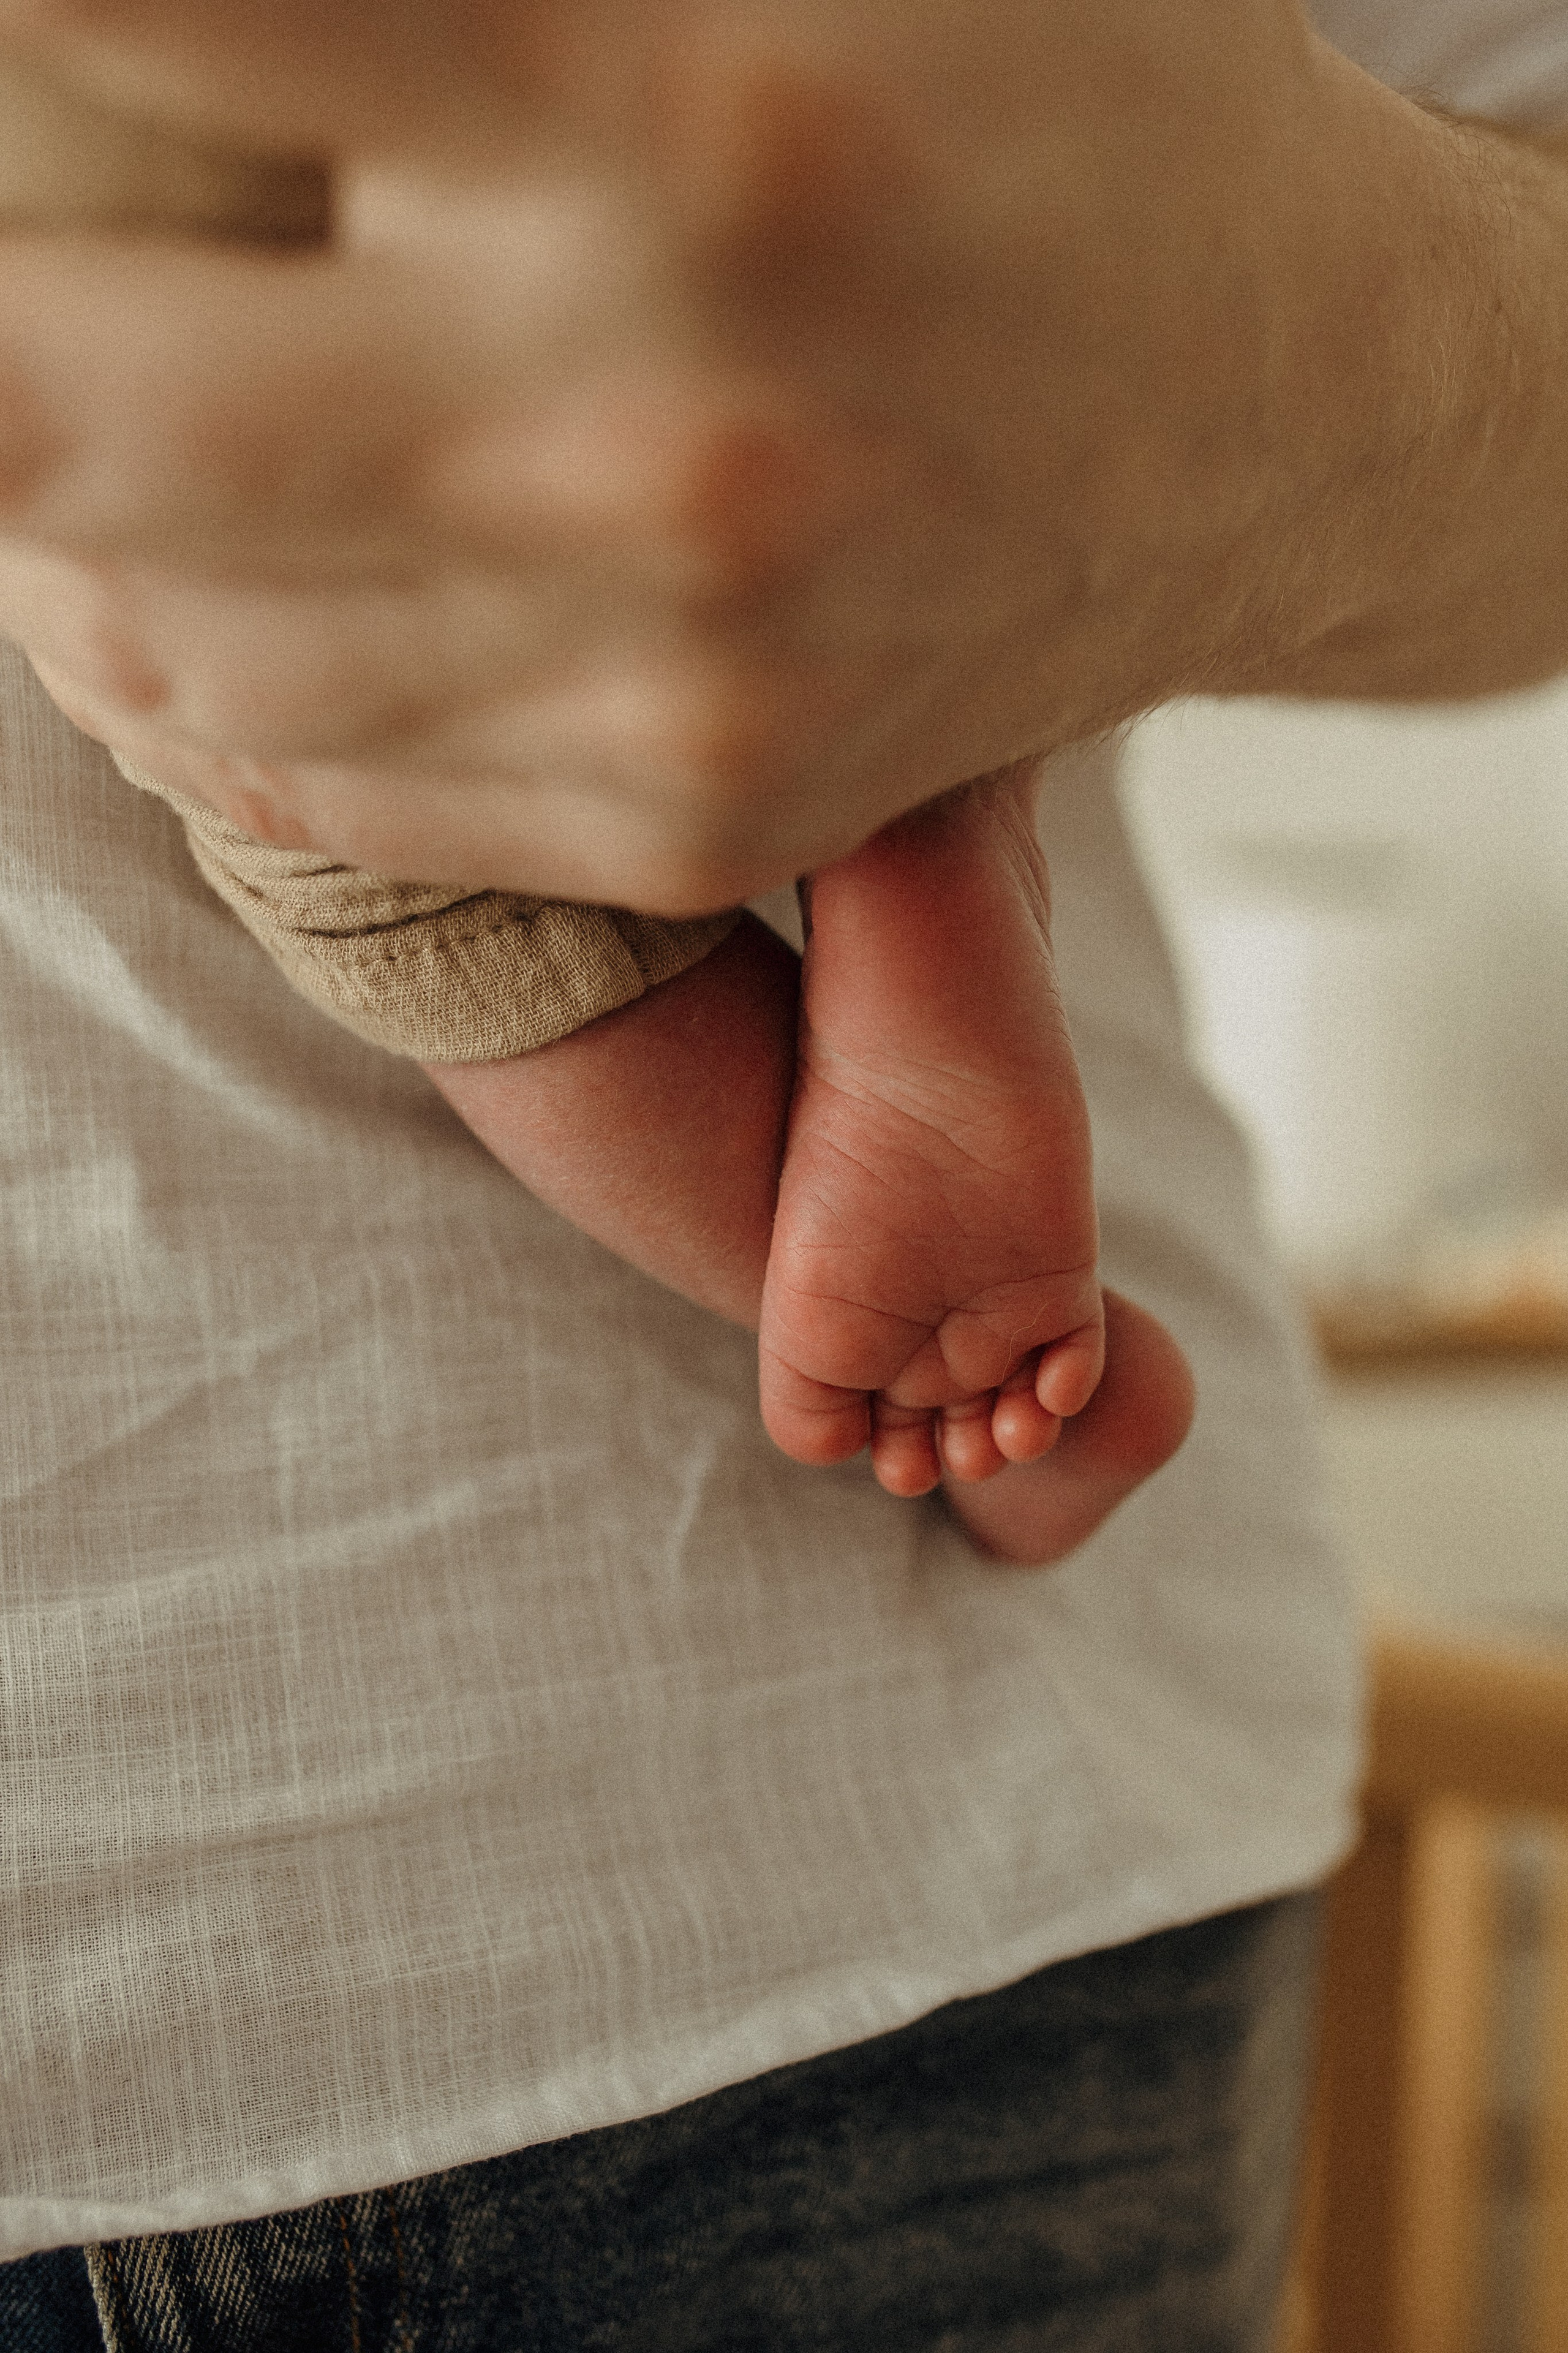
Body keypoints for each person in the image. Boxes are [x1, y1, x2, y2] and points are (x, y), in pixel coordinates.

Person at [2, 4, 1567, 2349]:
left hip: (828, 1928)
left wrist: (1262, 326)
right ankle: (925, 843)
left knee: (354, 702)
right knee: (684, 561)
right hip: (891, 1837)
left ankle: (872, 1013)